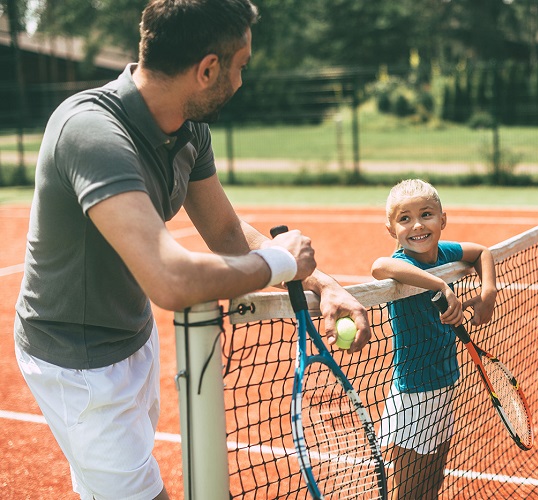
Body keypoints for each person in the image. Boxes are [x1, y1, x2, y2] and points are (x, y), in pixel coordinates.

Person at [13, 1, 371, 499]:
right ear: (207, 69)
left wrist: (321, 282)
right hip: (75, 363)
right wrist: (281, 261)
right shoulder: (92, 132)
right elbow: (170, 280)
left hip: (133, 338)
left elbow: (225, 231)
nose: (241, 81)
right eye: (240, 66)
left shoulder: (187, 127)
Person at [370, 179, 497, 500]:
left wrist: (488, 293)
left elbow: (482, 251)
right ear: (391, 229)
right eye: (405, 218)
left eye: (426, 214)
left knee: (432, 485)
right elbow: (380, 267)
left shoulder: (444, 253)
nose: (417, 225)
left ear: (443, 219)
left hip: (444, 384)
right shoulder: (404, 262)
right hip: (413, 395)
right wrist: (440, 285)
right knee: (408, 493)